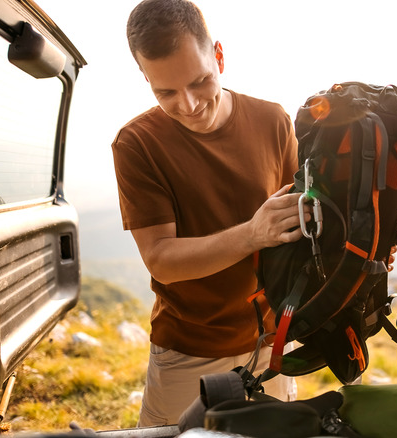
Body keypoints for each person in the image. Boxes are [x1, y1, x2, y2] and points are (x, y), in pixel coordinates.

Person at [111, 0, 302, 426]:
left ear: (218, 55)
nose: (189, 105)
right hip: (187, 346)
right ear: (146, 78)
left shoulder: (273, 120)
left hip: (272, 339)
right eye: (166, 92)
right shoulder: (136, 144)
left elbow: (299, 222)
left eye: (200, 82)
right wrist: (252, 234)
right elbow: (162, 261)